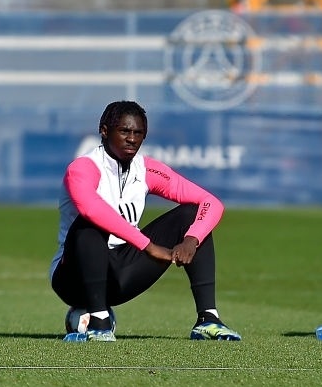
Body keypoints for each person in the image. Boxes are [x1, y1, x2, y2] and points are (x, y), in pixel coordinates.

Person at [49, 100, 241, 342]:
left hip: (121, 274)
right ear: (105, 131)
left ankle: (208, 319)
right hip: (72, 277)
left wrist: (191, 240)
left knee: (191, 215)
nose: (132, 139)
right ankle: (99, 323)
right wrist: (148, 246)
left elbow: (211, 202)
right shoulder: (83, 168)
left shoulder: (147, 169)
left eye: (138, 133)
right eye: (124, 131)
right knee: (90, 223)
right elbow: (92, 209)